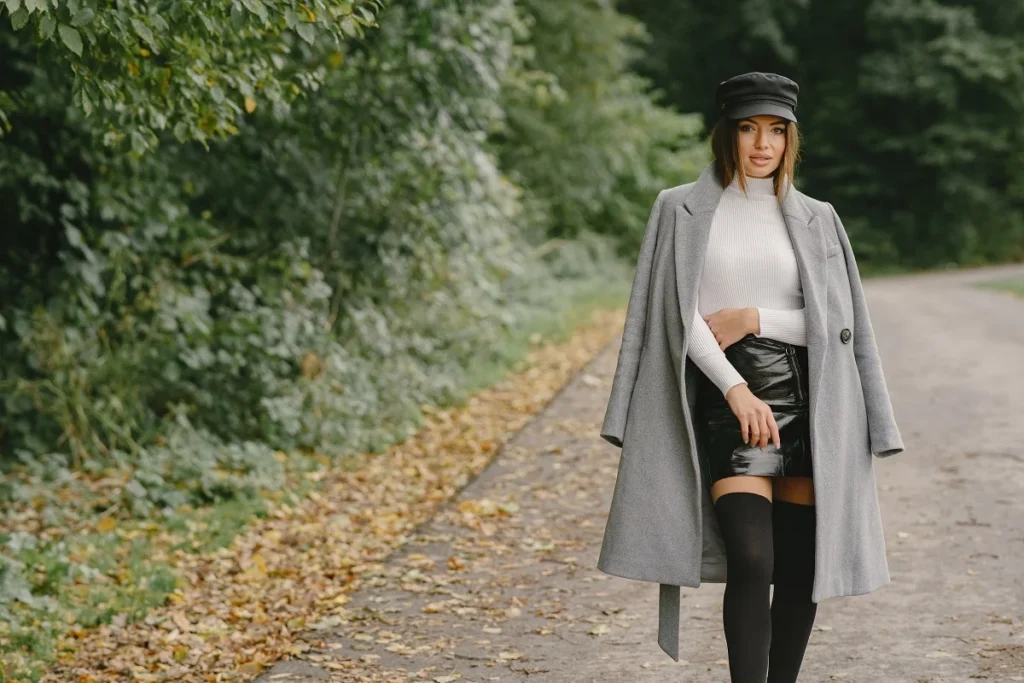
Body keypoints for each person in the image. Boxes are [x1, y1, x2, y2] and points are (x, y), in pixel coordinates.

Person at [596, 71, 905, 682]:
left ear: (791, 139)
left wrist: (753, 316)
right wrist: (735, 389)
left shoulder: (819, 219)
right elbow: (673, 316)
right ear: (726, 135)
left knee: (797, 567)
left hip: (811, 400)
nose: (762, 144)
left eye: (776, 130)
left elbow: (835, 321)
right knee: (752, 557)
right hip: (724, 396)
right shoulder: (679, 209)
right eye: (747, 128)